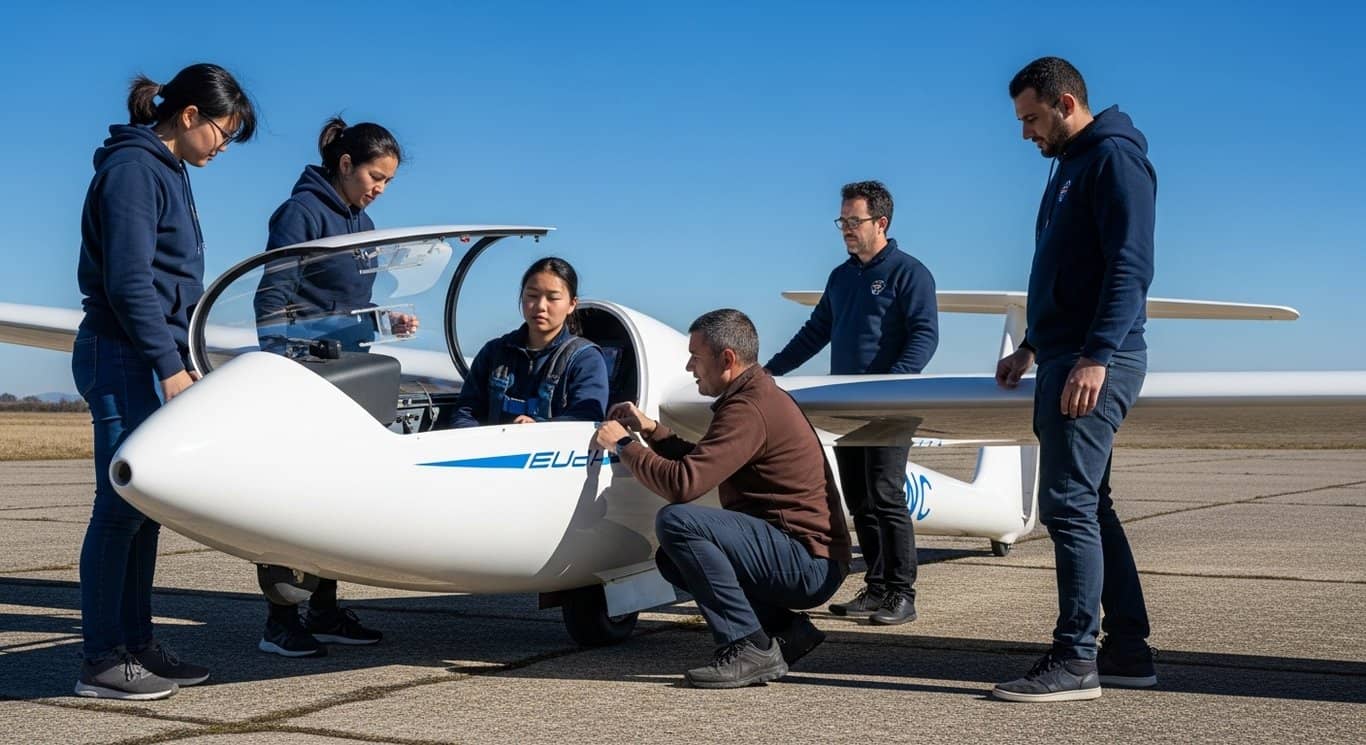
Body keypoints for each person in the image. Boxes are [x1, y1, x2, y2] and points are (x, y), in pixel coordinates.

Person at [72, 63, 257, 700]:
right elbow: (129, 284)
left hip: (148, 355)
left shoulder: (167, 169)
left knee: (145, 511)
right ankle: (101, 660)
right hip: (123, 355)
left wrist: (183, 356)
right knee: (118, 510)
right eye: (223, 134)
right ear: (189, 116)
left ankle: (139, 646)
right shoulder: (132, 170)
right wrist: (168, 365)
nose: (223, 148)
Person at [992, 56, 1157, 703]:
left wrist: (1096, 355)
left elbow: (1129, 265)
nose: (1025, 132)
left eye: (1032, 118)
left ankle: (1074, 658)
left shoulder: (1114, 159)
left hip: (1094, 360)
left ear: (1065, 104)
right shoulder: (1069, 165)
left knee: (1066, 506)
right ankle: (1128, 651)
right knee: (1091, 504)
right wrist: (1032, 344)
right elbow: (1066, 268)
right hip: (1065, 353)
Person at [595, 309, 850, 689]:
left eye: (695, 357)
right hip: (806, 556)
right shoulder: (753, 397)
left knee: (677, 522)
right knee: (673, 559)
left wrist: (623, 445)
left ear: (727, 359)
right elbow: (705, 461)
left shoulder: (749, 408)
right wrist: (651, 430)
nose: (689, 367)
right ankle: (786, 631)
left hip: (807, 564)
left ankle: (747, 647)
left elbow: (683, 484)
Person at [254, 118, 413, 658]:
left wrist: (385, 320)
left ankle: (323, 611)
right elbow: (272, 298)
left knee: (333, 497)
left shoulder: (363, 222)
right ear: (345, 164)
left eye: (388, 181)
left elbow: (348, 307)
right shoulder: (300, 213)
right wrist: (281, 368)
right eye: (375, 176)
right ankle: (279, 621)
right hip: (305, 376)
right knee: (294, 498)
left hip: (348, 373)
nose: (380, 188)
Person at [764, 180, 938, 626]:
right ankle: (876, 589)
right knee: (859, 500)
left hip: (890, 407)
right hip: (848, 407)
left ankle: (901, 593)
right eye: (841, 220)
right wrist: (770, 372)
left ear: (881, 222)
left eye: (853, 220)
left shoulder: (909, 273)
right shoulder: (841, 277)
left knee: (885, 495)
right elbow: (815, 332)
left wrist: (893, 385)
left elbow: (924, 336)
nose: (845, 228)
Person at [447, 257, 608, 427]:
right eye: (532, 295)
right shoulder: (494, 352)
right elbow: (465, 412)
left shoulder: (585, 359)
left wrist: (536, 430)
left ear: (572, 304)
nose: (540, 306)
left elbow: (586, 418)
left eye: (553, 298)